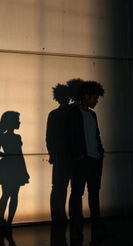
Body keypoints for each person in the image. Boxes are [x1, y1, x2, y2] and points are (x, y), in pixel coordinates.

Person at [67, 81, 105, 227]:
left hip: (95, 159)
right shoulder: (73, 114)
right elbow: (69, 137)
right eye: (95, 98)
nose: (96, 101)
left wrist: (100, 152)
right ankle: (76, 223)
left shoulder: (92, 115)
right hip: (82, 160)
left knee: (94, 192)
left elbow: (96, 135)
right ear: (87, 96)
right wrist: (79, 156)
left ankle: (96, 222)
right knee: (77, 192)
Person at [0, 111, 29, 228]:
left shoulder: (8, 136)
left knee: (8, 194)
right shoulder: (12, 137)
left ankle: (4, 221)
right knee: (10, 195)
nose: (19, 122)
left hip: (11, 166)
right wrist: (12, 157)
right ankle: (5, 221)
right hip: (13, 167)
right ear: (11, 122)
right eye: (17, 120)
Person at [46, 84, 72, 223]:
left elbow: (49, 138)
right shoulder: (73, 113)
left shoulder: (54, 114)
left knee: (58, 188)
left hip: (60, 156)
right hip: (68, 156)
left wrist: (52, 154)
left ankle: (57, 217)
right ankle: (60, 216)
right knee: (63, 188)